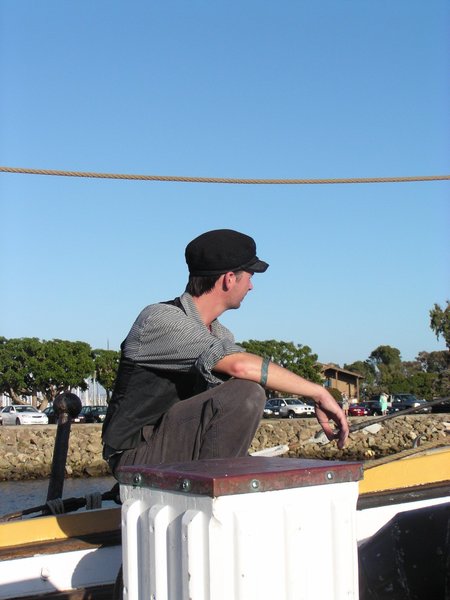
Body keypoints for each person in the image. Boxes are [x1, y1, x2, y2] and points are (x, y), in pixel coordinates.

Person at [102, 229, 349, 475]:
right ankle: (218, 485)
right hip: (134, 455)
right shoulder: (159, 319)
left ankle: (223, 475)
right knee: (246, 392)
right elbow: (240, 366)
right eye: (250, 277)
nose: (251, 286)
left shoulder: (221, 335)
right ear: (229, 279)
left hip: (178, 447)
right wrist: (318, 392)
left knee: (243, 390)